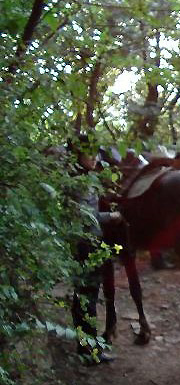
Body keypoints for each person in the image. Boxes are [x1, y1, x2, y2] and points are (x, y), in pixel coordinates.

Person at [67, 135, 123, 364]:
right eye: (90, 154)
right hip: (86, 243)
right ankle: (88, 350)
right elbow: (85, 217)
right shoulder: (79, 182)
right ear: (78, 156)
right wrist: (112, 216)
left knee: (87, 295)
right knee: (86, 296)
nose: (96, 158)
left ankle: (87, 346)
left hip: (86, 242)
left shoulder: (80, 178)